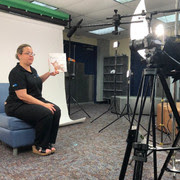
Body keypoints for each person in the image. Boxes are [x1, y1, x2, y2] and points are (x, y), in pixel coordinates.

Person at [5, 44, 61, 156]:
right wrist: (44, 105)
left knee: (56, 110)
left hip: (31, 100)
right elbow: (22, 96)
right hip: (17, 104)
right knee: (45, 113)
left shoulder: (32, 70)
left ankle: (48, 142)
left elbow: (37, 81)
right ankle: (38, 146)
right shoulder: (16, 72)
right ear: (19, 55)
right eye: (27, 53)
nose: (31, 56)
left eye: (32, 53)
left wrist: (49, 73)